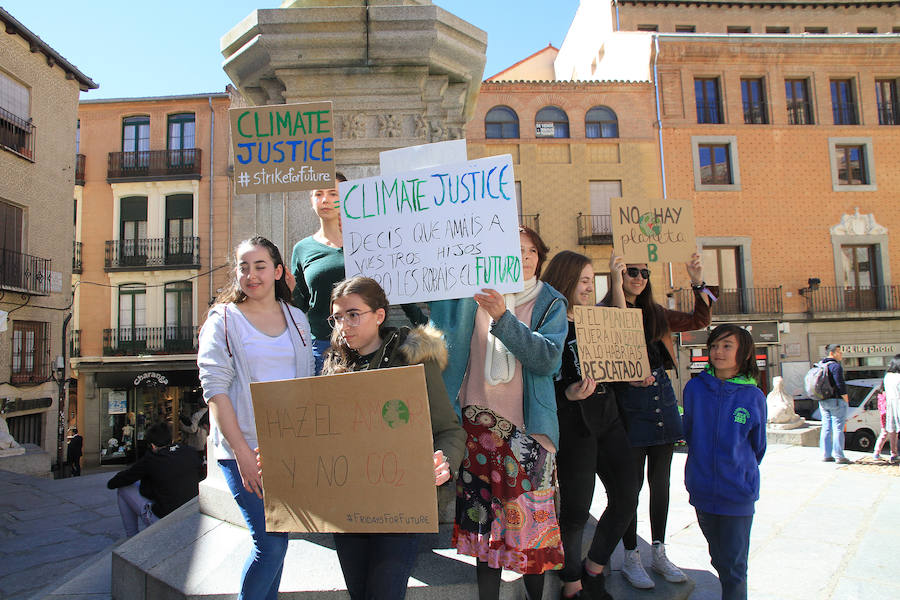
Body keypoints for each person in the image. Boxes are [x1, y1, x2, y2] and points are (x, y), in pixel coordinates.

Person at [430, 226, 567, 600]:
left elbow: (546, 358)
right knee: (482, 528)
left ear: (540, 258)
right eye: (516, 249)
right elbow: (436, 327)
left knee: (532, 536)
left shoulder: (551, 302)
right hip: (475, 428)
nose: (524, 257)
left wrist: (504, 317)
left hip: (528, 433)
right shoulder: (471, 295)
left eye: (532, 251)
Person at [320, 276, 465, 599]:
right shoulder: (333, 365)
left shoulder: (412, 360)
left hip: (400, 505)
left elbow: (449, 431)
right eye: (338, 317)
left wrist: (444, 461)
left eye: (353, 314)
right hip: (349, 508)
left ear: (380, 315)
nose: (344, 325)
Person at [198, 236, 315, 600]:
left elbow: (305, 384)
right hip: (241, 450)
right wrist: (243, 453)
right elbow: (215, 390)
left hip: (286, 451)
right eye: (243, 267)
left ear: (278, 271)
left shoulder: (297, 319)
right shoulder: (223, 320)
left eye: (260, 266)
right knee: (271, 544)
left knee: (278, 542)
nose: (251, 275)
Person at [600, 253, 711, 590]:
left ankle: (659, 552)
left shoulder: (657, 313)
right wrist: (615, 281)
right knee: (629, 488)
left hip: (660, 400)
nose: (639, 277)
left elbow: (699, 320)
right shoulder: (605, 313)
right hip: (626, 406)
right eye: (631, 271)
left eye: (644, 272)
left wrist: (697, 280)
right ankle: (631, 555)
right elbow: (605, 356)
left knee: (660, 483)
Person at [541, 251, 637, 600]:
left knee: (627, 492)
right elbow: (536, 382)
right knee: (577, 510)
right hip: (573, 423)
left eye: (591, 280)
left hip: (608, 417)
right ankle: (572, 584)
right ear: (565, 280)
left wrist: (634, 370)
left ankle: (594, 567)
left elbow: (624, 341)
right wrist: (567, 391)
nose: (588, 287)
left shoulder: (595, 317)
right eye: (583, 280)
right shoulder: (548, 323)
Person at [683, 324, 766, 600]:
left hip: (737, 494)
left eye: (727, 346)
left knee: (734, 568)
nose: (718, 352)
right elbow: (690, 432)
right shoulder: (694, 388)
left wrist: (738, 470)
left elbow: (758, 446)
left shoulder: (753, 396)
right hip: (702, 490)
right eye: (715, 346)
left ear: (743, 353)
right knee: (719, 559)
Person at [290, 173, 348, 374]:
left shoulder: (367, 240)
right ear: (311, 201)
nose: (325, 200)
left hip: (367, 344)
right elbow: (300, 304)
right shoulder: (302, 249)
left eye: (333, 193)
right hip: (322, 347)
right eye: (319, 194)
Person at [106, 422, 201, 537]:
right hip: (192, 514)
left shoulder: (151, 459)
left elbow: (113, 483)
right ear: (171, 440)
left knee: (123, 489)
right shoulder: (190, 451)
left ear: (152, 446)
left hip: (165, 519)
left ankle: (131, 537)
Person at [817, 344, 851, 464]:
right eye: (839, 352)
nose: (841, 354)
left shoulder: (820, 365)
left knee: (826, 427)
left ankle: (825, 454)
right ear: (832, 353)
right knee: (838, 428)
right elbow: (840, 384)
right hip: (836, 400)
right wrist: (846, 398)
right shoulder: (835, 366)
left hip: (823, 400)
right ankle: (839, 455)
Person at [876, 354, 900, 463]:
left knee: (892, 430)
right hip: (897, 404)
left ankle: (894, 453)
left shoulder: (888, 376)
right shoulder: (898, 377)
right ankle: (894, 453)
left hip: (890, 406)